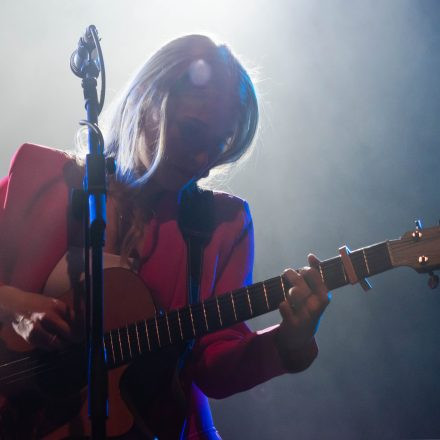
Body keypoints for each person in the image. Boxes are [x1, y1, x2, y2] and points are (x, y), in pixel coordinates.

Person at [0, 34, 330, 439]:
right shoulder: (40, 175)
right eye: (193, 133)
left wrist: (289, 341)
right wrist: (14, 305)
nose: (202, 164)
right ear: (149, 101)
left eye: (218, 148)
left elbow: (214, 367)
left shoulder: (222, 225)